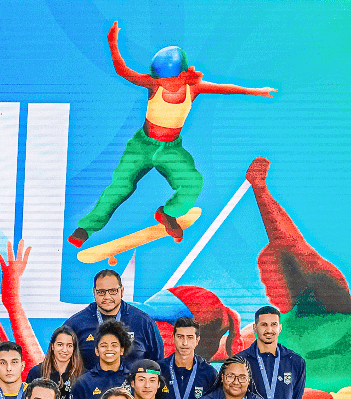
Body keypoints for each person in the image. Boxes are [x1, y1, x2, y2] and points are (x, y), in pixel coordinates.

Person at [68, 21, 275, 247]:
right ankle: (86, 228)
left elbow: (227, 88)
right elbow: (123, 71)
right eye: (161, 80)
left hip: (171, 149)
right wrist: (113, 44)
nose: (164, 85)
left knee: (193, 182)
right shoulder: (153, 84)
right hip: (142, 146)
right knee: (121, 186)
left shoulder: (194, 87)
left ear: (183, 75)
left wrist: (257, 91)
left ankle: (168, 213)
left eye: (169, 80)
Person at [64, 269, 163, 369]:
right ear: (94, 292)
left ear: (122, 291)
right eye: (101, 292)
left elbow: (157, 365)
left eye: (113, 291)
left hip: (131, 384)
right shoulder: (76, 324)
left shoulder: (143, 322)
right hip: (92, 384)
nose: (107, 297)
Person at [66, 320, 133, 399]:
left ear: (122, 349)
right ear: (96, 351)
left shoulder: (132, 380)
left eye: (114, 345)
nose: (109, 349)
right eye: (103, 345)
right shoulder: (83, 383)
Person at [27, 325, 85, 399]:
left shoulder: (83, 375)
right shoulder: (36, 373)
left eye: (69, 345)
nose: (64, 350)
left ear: (74, 348)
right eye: (60, 344)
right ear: (52, 346)